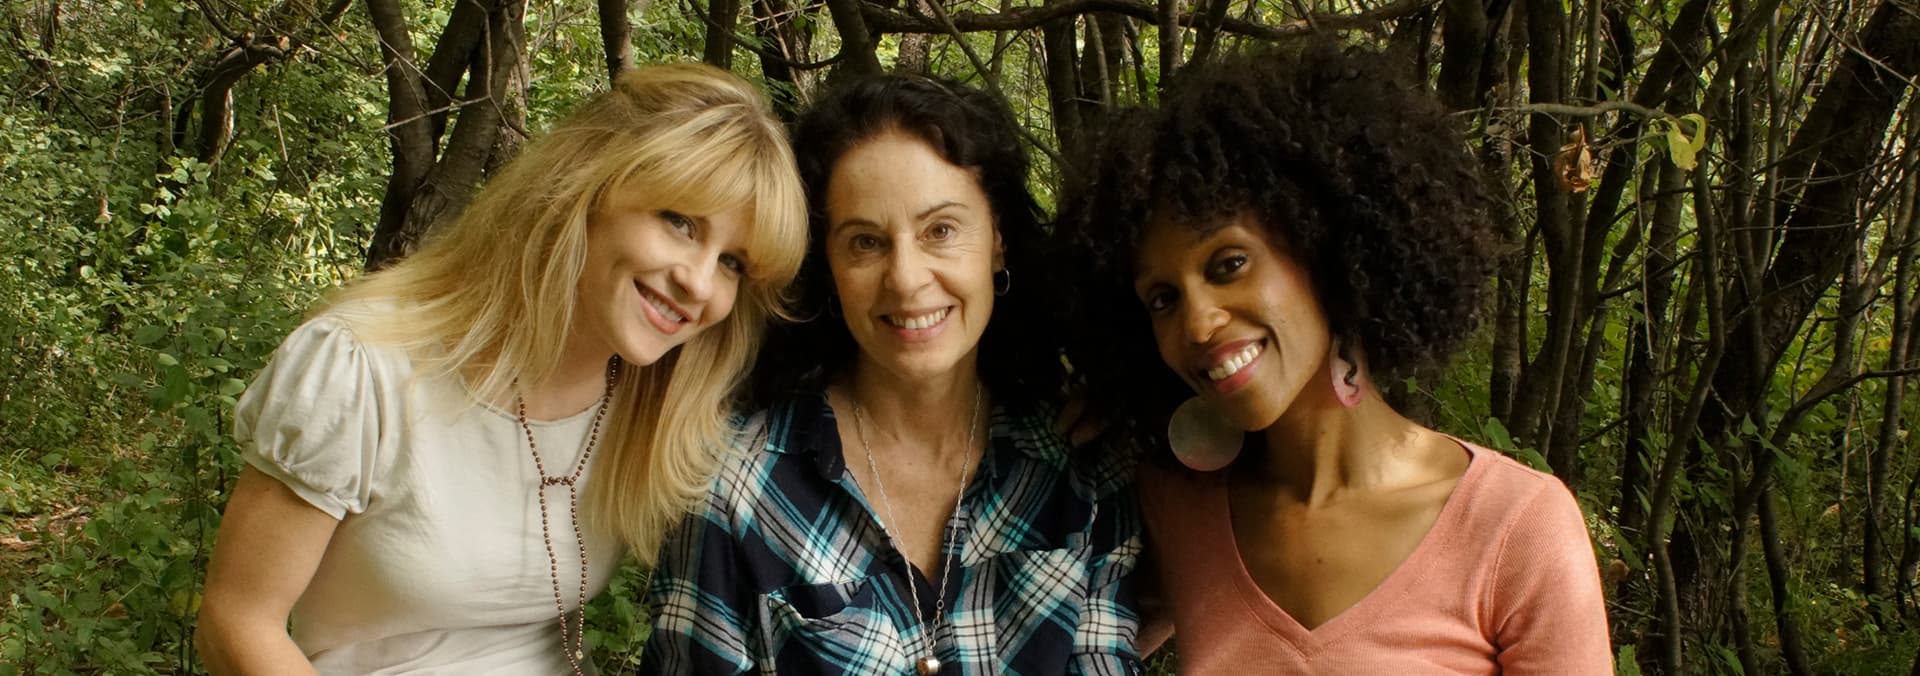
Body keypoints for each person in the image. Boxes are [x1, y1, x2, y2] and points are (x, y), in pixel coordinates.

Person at [193, 63, 807, 675]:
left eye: (732, 262)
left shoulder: (651, 401)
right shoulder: (362, 365)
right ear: (584, 190)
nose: (699, 283)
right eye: (679, 222)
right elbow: (236, 623)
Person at [1056, 44, 1612, 673]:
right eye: (1162, 299)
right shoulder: (1176, 508)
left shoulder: (1516, 527)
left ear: (1325, 251)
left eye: (1229, 264)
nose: (1198, 322)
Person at [639, 73, 1143, 675]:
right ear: (827, 266)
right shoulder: (735, 488)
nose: (905, 278)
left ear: (998, 240)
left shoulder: (1082, 472)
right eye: (865, 242)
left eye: (941, 230)